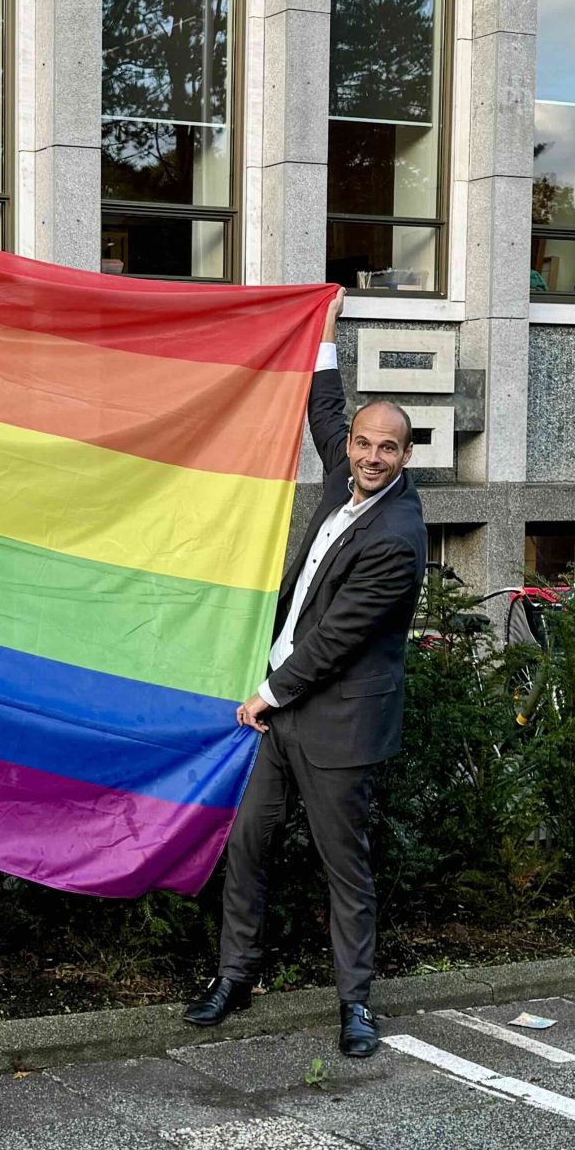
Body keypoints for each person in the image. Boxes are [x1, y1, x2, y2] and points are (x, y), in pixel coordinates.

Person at [185, 294, 427, 1058]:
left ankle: (355, 1003)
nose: (369, 456)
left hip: (334, 722)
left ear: (405, 457)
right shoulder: (341, 476)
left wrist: (265, 693)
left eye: (387, 448)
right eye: (363, 443)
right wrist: (323, 328)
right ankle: (235, 976)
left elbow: (334, 642)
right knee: (249, 846)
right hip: (284, 718)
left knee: (342, 867)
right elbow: (324, 406)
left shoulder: (397, 536)